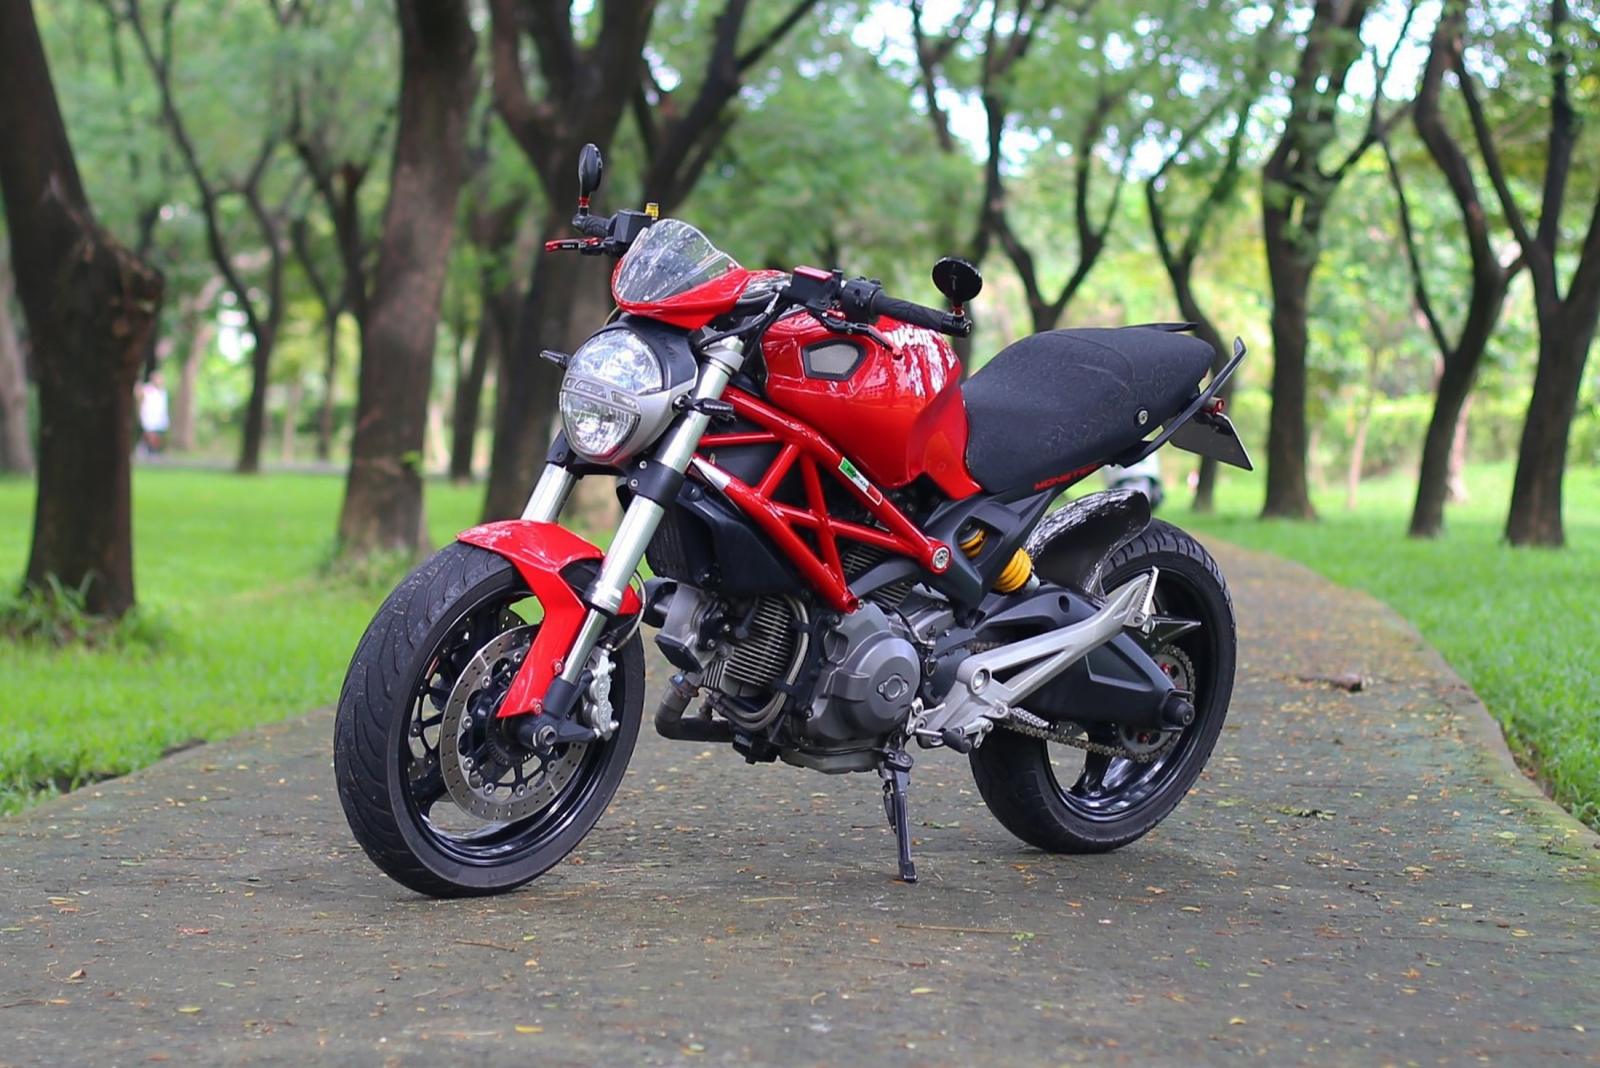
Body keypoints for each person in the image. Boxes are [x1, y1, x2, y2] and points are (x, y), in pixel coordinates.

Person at [137, 371, 169, 455]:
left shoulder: (162, 391)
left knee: (157, 435)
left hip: (159, 417)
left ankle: (154, 450)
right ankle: (146, 448)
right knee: (150, 434)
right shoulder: (147, 389)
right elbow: (139, 396)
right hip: (149, 416)